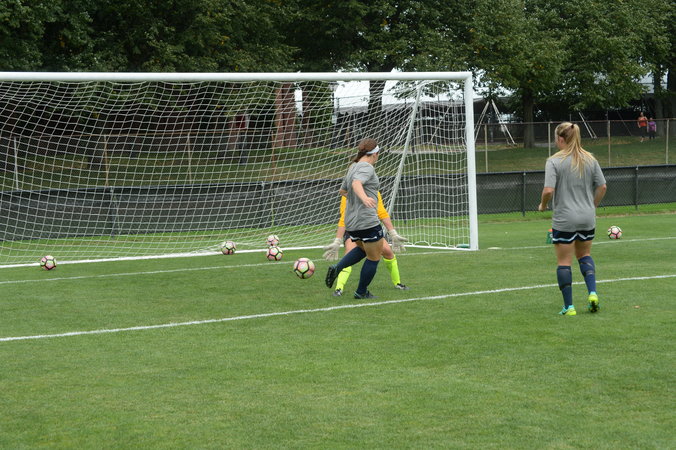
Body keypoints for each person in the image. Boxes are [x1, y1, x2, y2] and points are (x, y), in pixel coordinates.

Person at [538, 122, 607, 316]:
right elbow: (602, 187)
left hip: (565, 218)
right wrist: (592, 205)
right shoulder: (590, 159)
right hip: (587, 217)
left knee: (564, 261)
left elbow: (548, 190)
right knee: (584, 255)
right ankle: (592, 293)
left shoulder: (554, 161)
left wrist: (543, 205)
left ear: (560, 139)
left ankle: (569, 307)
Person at [325, 138, 385, 299]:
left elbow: (343, 191)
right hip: (366, 220)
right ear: (375, 154)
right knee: (374, 257)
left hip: (351, 221)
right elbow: (356, 184)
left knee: (363, 249)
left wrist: (357, 199)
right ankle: (361, 292)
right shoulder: (366, 167)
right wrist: (364, 199)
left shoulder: (353, 167)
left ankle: (337, 268)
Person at [323, 191, 409, 296]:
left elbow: (381, 212)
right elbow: (344, 217)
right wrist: (338, 240)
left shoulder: (373, 191)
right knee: (364, 255)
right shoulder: (349, 192)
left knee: (387, 252)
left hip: (365, 227)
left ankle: (397, 283)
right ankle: (340, 288)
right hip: (359, 228)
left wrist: (393, 233)